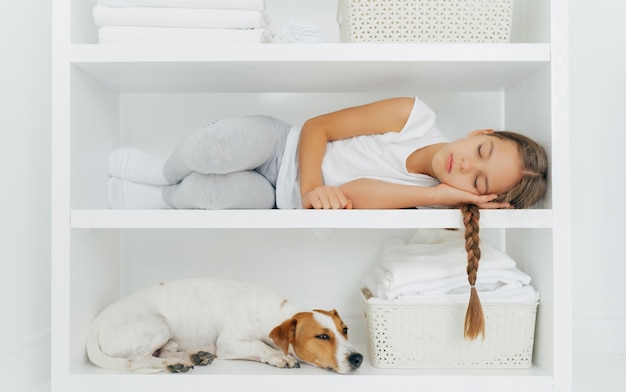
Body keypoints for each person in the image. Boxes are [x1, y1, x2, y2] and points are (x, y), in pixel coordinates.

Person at [107, 96, 548, 210]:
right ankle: (165, 172)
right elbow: (320, 126)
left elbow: (353, 192)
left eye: (477, 182)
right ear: (480, 131)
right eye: (482, 150)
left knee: (214, 195)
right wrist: (314, 185)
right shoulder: (412, 117)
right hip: (286, 144)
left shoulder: (420, 198)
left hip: (280, 200)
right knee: (215, 148)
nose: (467, 164)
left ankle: (162, 199)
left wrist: (435, 196)